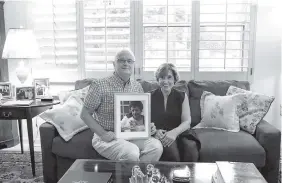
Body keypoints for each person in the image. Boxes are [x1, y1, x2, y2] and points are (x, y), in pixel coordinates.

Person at [80, 48, 163, 161]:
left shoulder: (137, 86)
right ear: (114, 64)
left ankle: (139, 177)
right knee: (131, 152)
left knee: (156, 147)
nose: (126, 63)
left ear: (133, 64)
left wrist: (148, 127)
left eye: (129, 61)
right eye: (121, 60)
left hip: (132, 134)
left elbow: (140, 115)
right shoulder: (99, 85)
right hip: (108, 137)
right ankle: (131, 176)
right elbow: (84, 114)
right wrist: (103, 133)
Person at [151, 63, 201, 162]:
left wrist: (174, 133)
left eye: (169, 77)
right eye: (162, 78)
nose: (165, 81)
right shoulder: (149, 96)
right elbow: (144, 121)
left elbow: (187, 122)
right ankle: (173, 178)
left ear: (174, 79)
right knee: (172, 154)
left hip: (181, 132)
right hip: (162, 134)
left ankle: (190, 177)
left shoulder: (182, 96)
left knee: (191, 149)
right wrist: (155, 131)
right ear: (158, 80)